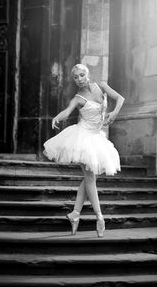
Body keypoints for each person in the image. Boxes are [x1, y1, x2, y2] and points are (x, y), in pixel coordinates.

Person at [43, 63, 125, 237]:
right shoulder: (78, 97)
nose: (79, 79)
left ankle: (75, 214)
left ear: (88, 74)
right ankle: (99, 217)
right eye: (75, 77)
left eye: (81, 75)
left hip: (97, 137)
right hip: (82, 137)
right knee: (90, 177)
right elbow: (67, 111)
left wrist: (114, 113)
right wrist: (57, 117)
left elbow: (120, 99)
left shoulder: (101, 86)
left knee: (89, 178)